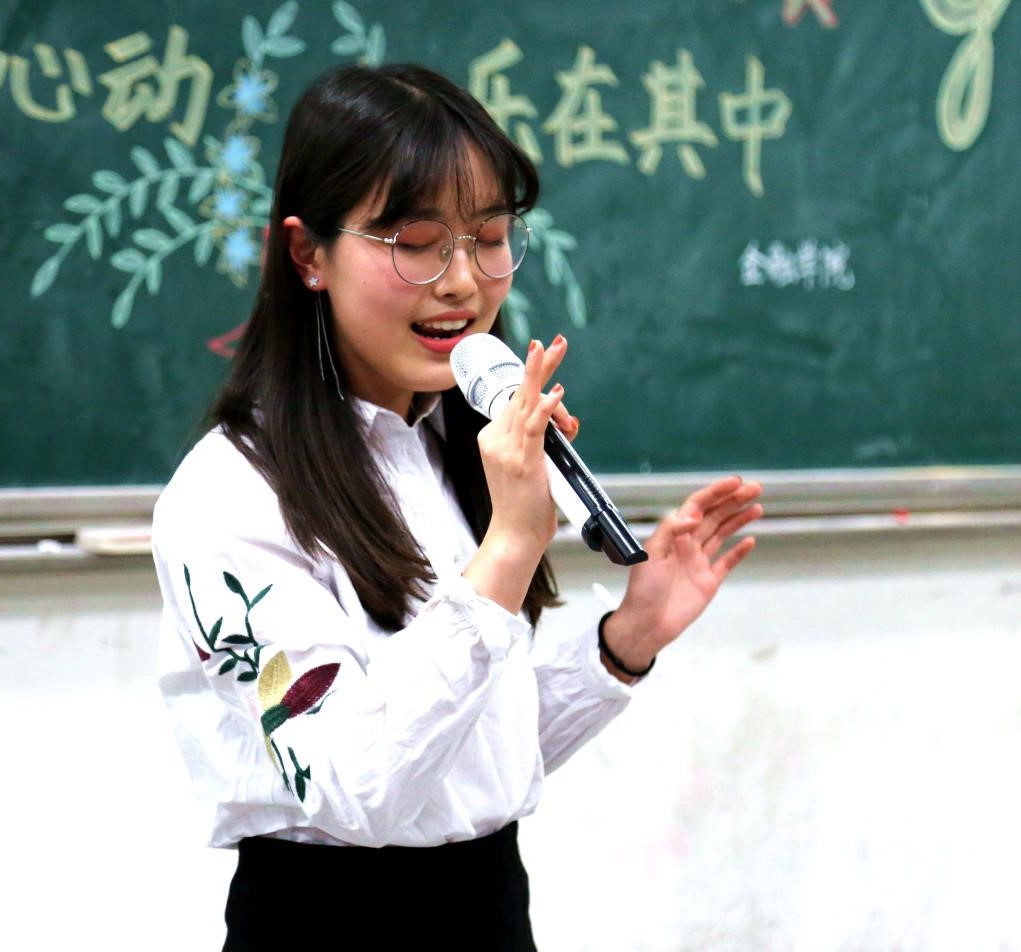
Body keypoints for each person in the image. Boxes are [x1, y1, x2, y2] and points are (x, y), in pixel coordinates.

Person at [152, 63, 763, 951]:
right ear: (307, 255)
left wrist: (623, 642)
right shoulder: (228, 494)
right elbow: (355, 788)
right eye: (416, 241)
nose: (462, 283)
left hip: (488, 907)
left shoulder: (452, 446)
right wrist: (508, 549)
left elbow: (461, 755)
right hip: (324, 922)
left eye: (489, 239)